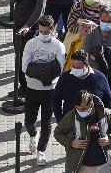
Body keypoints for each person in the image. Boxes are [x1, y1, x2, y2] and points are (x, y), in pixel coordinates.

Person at [22, 15, 66, 166]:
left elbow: (58, 70)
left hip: (50, 90)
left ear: (53, 30)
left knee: (47, 122)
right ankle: (33, 135)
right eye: (40, 31)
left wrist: (38, 70)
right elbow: (25, 67)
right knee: (29, 120)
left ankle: (41, 150)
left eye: (46, 32)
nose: (43, 34)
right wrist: (47, 71)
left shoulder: (59, 46)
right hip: (32, 88)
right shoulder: (31, 44)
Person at [54, 90, 111, 173]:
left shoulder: (107, 114)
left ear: (92, 105)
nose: (80, 111)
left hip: (104, 164)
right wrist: (71, 143)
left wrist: (110, 138)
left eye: (83, 109)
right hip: (81, 166)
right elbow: (58, 133)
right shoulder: (72, 116)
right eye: (77, 108)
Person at [10, 0, 48, 94]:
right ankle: (22, 87)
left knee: (29, 59)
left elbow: (40, 8)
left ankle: (30, 88)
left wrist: (29, 25)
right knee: (19, 57)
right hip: (18, 24)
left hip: (30, 27)